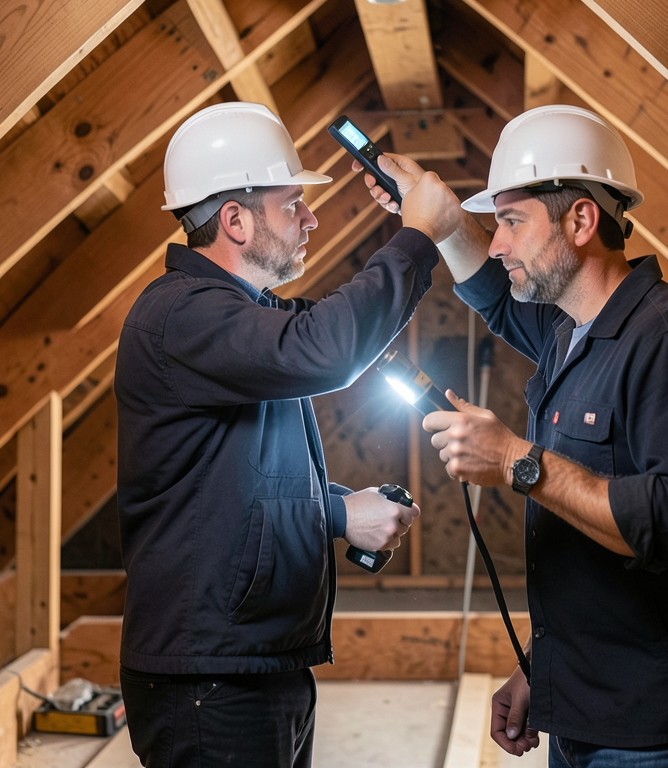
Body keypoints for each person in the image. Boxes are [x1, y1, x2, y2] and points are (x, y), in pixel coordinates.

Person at [356, 105, 668, 767]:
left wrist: (520, 463)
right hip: (588, 710)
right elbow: (492, 289)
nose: (497, 243)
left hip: (666, 734)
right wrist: (546, 667)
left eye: (514, 222)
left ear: (581, 220)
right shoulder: (570, 335)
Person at [113, 102, 459, 768]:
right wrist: (415, 237)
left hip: (253, 663)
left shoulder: (236, 318)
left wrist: (338, 511)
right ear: (236, 220)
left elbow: (231, 481)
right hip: (210, 679)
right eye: (292, 203)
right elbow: (323, 349)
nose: (311, 218)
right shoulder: (181, 315)